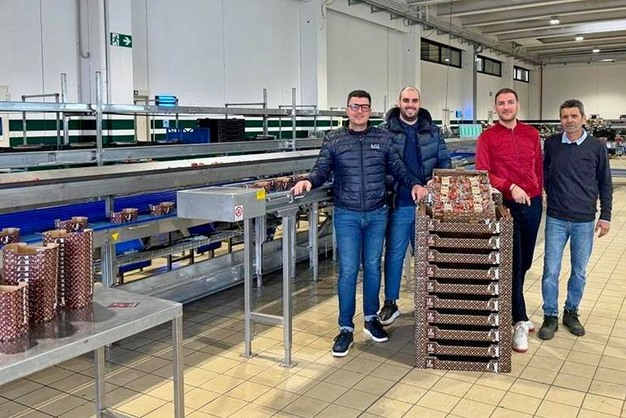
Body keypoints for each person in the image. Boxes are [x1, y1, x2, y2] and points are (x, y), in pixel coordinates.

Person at [291, 90, 424, 357]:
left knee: (373, 267)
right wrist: (308, 181)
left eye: (364, 107)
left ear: (370, 110)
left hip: (377, 213)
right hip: (347, 215)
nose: (359, 111)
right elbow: (321, 169)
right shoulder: (334, 139)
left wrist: (415, 184)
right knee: (349, 271)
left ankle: (371, 319)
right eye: (355, 106)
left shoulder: (382, 138)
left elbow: (398, 168)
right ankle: (345, 328)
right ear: (347, 109)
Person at [475, 88, 543, 353]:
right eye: (501, 103)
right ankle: (519, 320)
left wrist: (540, 192)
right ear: (496, 108)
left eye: (510, 102)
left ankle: (515, 310)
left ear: (518, 105)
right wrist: (509, 186)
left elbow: (538, 167)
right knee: (512, 263)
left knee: (525, 262)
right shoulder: (487, 137)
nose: (506, 107)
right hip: (506, 206)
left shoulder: (531, 134)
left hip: (532, 203)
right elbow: (482, 172)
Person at [538, 99, 612, 340]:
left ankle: (571, 312)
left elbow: (605, 182)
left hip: (584, 220)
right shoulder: (552, 144)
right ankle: (550, 315)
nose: (569, 121)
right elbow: (544, 173)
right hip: (556, 218)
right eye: (564, 117)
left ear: (583, 118)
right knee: (550, 270)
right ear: (560, 120)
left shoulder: (596, 147)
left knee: (579, 271)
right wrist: (549, 195)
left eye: (573, 116)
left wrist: (606, 216)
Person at [378, 86, 451, 326]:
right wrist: (403, 186)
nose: (410, 105)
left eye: (414, 100)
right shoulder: (385, 133)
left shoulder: (433, 131)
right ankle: (390, 303)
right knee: (395, 254)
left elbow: (444, 162)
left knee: (427, 255)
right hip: (399, 203)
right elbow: (382, 168)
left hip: (427, 206)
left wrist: (434, 181)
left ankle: (428, 301)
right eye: (406, 100)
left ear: (420, 102)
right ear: (399, 102)